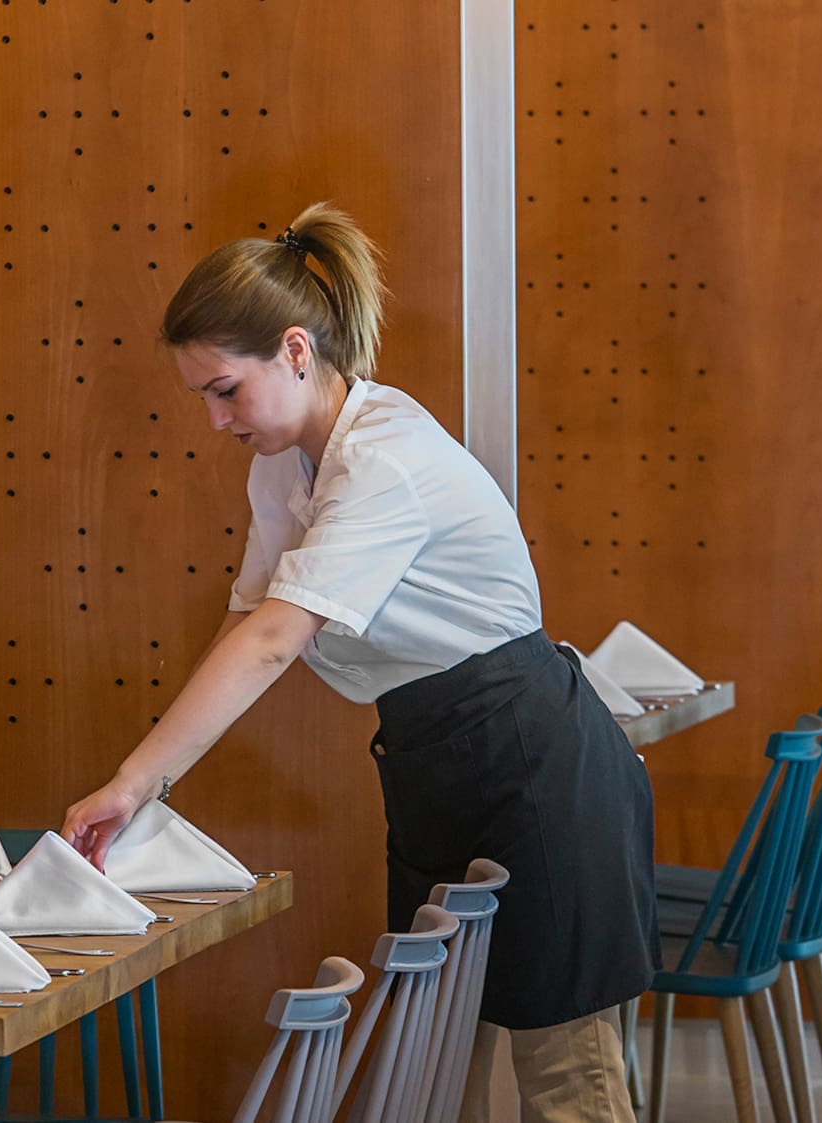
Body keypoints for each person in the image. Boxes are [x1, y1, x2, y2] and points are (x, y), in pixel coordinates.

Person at [60, 202, 657, 1123]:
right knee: (439, 1067)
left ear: (297, 351)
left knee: (567, 1087)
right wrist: (148, 785)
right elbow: (247, 619)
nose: (216, 419)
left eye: (225, 389)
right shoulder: (284, 463)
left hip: (536, 768)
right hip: (436, 765)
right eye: (202, 398)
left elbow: (273, 641)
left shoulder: (384, 460)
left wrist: (133, 783)